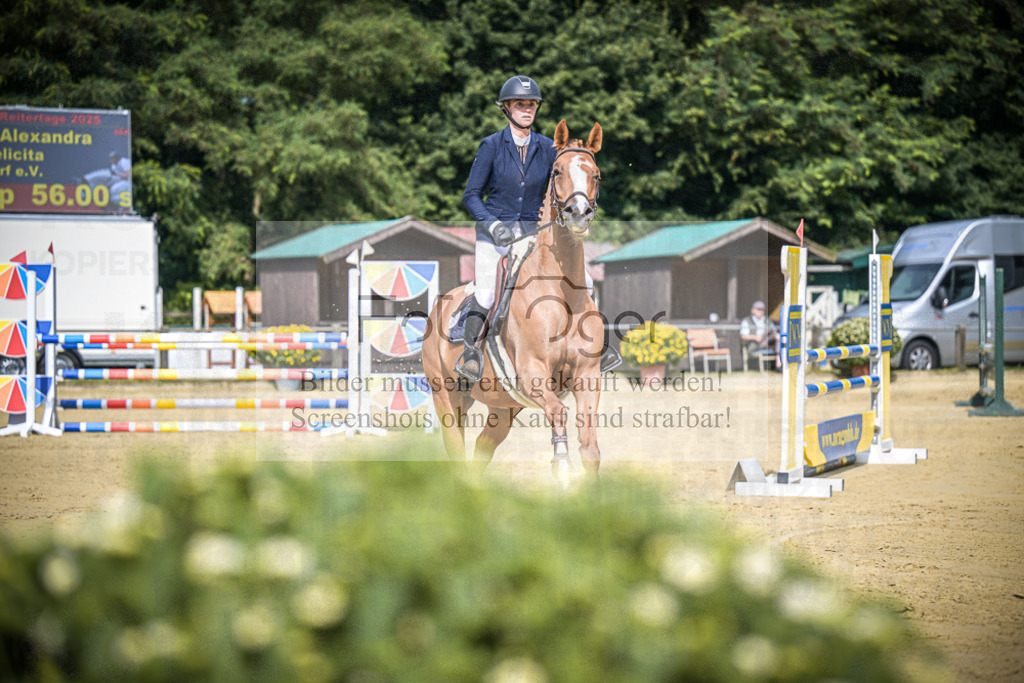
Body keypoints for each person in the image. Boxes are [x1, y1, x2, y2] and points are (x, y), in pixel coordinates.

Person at [455, 75, 558, 382]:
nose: (527, 110)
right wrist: (493, 224)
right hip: (495, 236)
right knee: (487, 292)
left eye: (532, 105)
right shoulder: (491, 146)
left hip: (532, 235)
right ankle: (471, 354)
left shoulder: (548, 147)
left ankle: (591, 347)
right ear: (507, 108)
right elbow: (471, 196)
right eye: (520, 104)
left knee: (582, 282)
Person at [740, 300, 779, 369]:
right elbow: (743, 336)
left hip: (767, 341)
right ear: (753, 310)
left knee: (777, 336)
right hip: (755, 344)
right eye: (758, 309)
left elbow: (774, 331)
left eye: (762, 310)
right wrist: (755, 337)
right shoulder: (747, 321)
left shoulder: (767, 320)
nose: (760, 312)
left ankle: (778, 359)